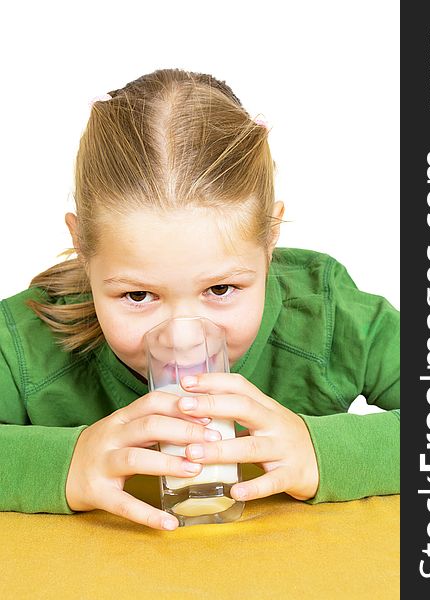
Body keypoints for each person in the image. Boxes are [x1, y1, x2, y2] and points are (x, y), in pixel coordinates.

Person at [0, 68, 399, 531]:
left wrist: (319, 451)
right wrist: (64, 463)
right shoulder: (27, 342)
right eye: (137, 294)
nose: (183, 340)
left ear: (269, 240)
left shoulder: (325, 312)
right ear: (83, 245)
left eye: (221, 289)